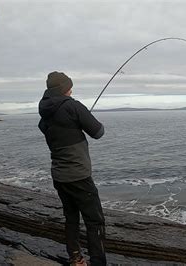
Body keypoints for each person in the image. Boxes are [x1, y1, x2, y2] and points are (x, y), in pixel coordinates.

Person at [38, 71, 107, 266]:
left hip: (59, 176)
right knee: (95, 221)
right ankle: (98, 262)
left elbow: (45, 127)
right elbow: (98, 132)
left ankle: (76, 258)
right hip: (78, 175)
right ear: (64, 89)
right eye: (69, 86)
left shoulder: (45, 112)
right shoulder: (73, 106)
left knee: (71, 218)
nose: (71, 89)